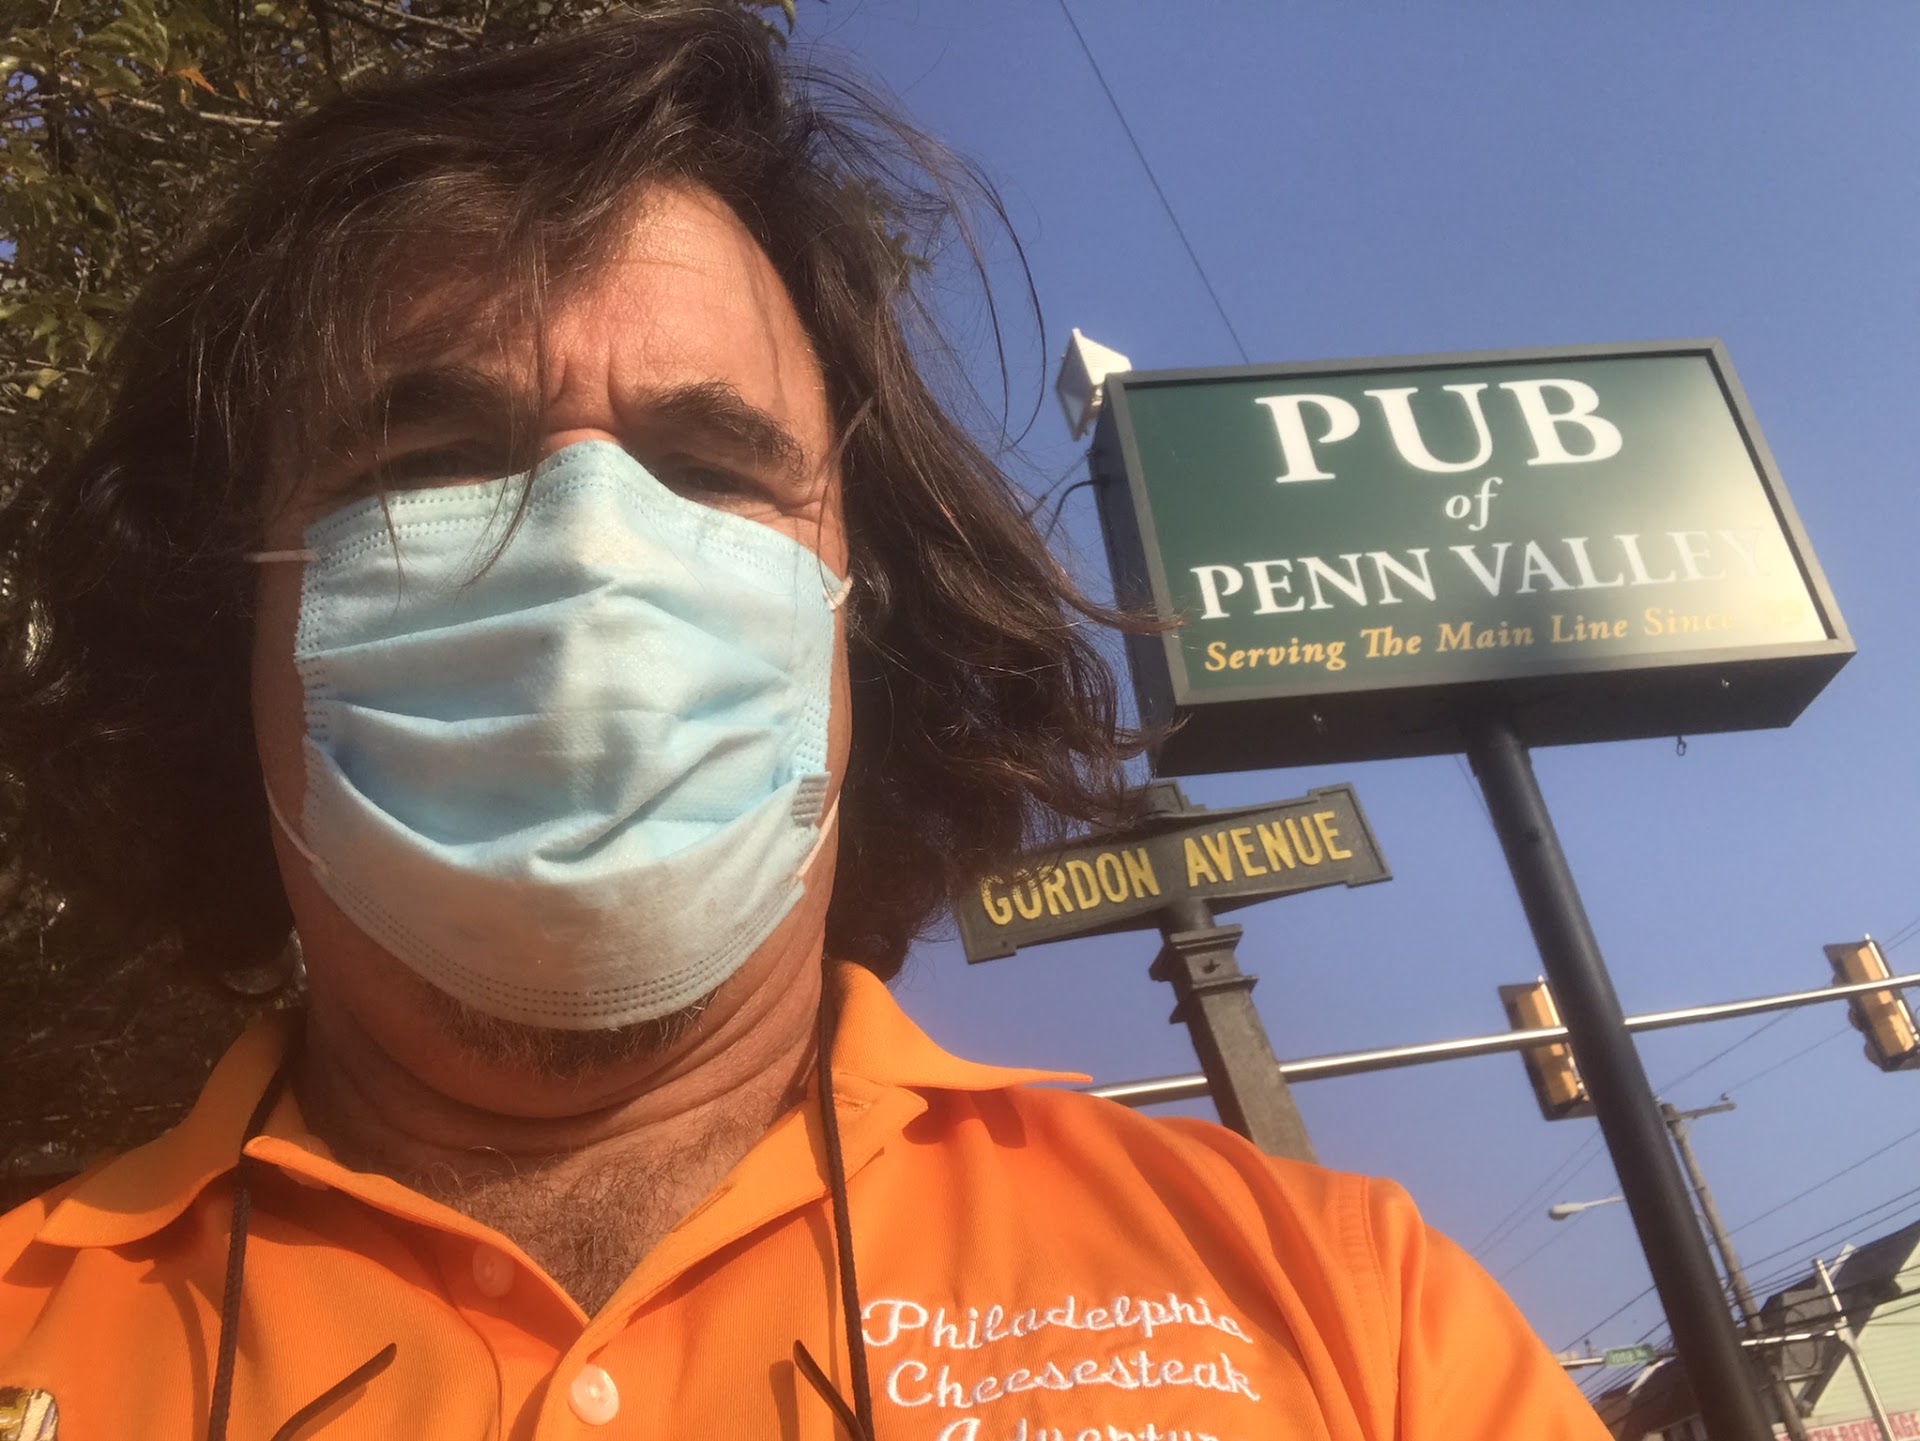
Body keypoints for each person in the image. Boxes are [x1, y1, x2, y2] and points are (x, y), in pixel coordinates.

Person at [0, 5, 1610, 1437]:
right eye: (433, 463)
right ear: (233, 615)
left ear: (861, 626)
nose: (585, 552)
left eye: (707, 470)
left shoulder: (1348, 1319)